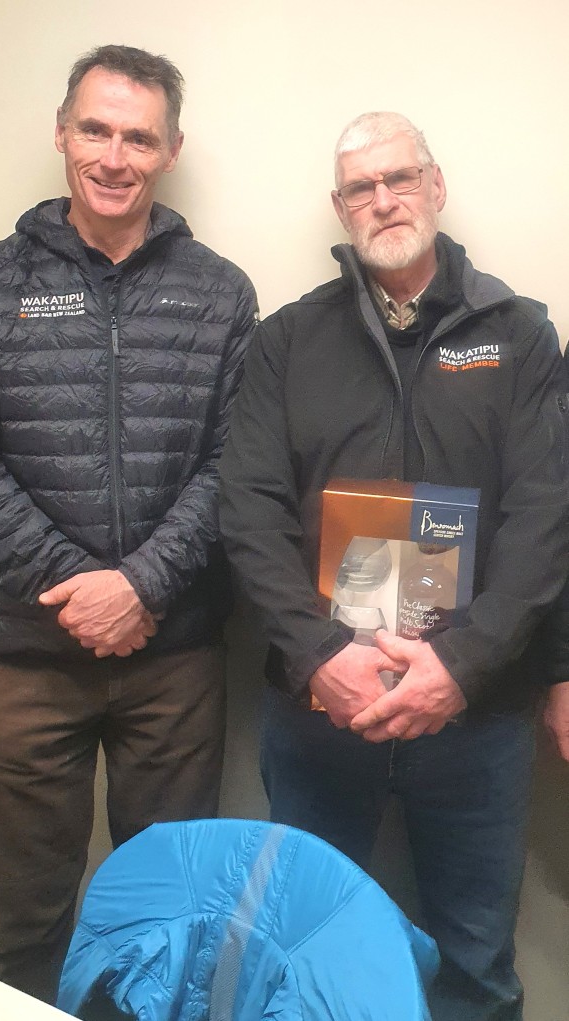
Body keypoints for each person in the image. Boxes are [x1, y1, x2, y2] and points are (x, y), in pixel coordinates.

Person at [0, 44, 257, 1004]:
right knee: (19, 923)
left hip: (175, 664)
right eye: (96, 129)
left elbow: (234, 465)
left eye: (139, 137)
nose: (115, 156)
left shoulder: (222, 292)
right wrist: (81, 592)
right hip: (30, 659)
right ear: (61, 133)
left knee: (169, 924)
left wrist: (142, 586)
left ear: (170, 149)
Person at [219, 111, 568, 1021]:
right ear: (340, 209)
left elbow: (547, 517)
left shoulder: (520, 334)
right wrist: (315, 654)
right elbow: (246, 509)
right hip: (319, 706)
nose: (383, 200)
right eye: (360, 187)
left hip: (476, 713)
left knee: (476, 964)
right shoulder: (286, 340)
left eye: (400, 178)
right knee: (304, 952)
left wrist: (463, 666)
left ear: (436, 185)